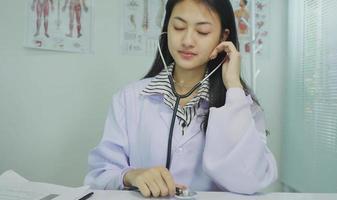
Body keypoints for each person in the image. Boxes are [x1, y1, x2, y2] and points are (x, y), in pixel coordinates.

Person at [84, 0, 277, 198]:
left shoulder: (240, 104)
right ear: (166, 29)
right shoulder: (129, 99)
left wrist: (234, 88)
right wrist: (131, 176)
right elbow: (100, 175)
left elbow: (251, 180)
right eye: (178, 27)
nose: (187, 40)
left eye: (202, 31)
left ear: (223, 37)